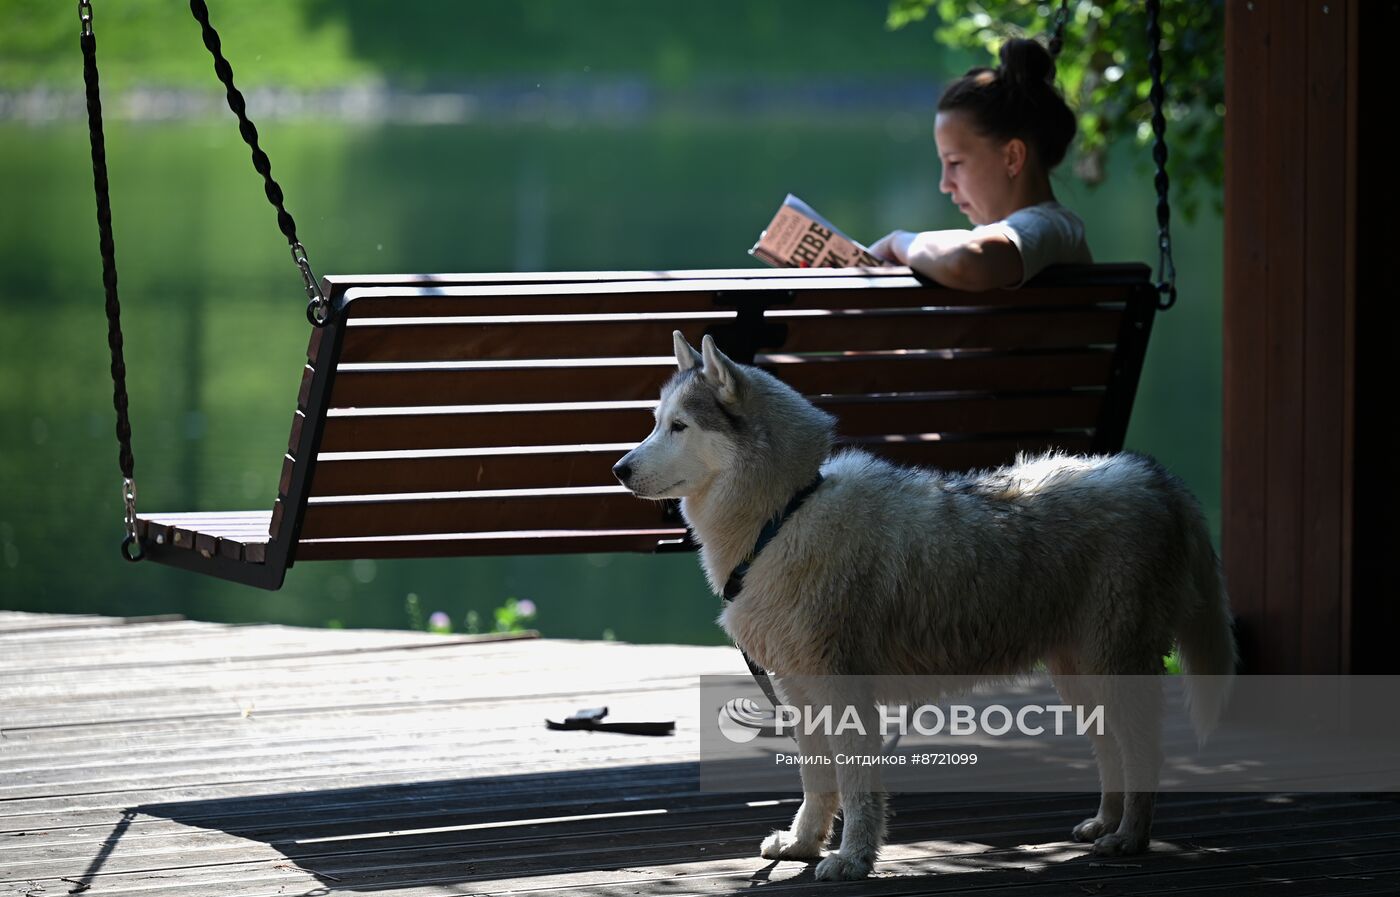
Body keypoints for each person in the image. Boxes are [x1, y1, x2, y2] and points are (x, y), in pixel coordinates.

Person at [869, 38, 1092, 290]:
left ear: (1012, 157)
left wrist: (898, 242)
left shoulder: (1046, 227)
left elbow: (964, 263)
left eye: (955, 162)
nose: (945, 184)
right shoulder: (1030, 237)